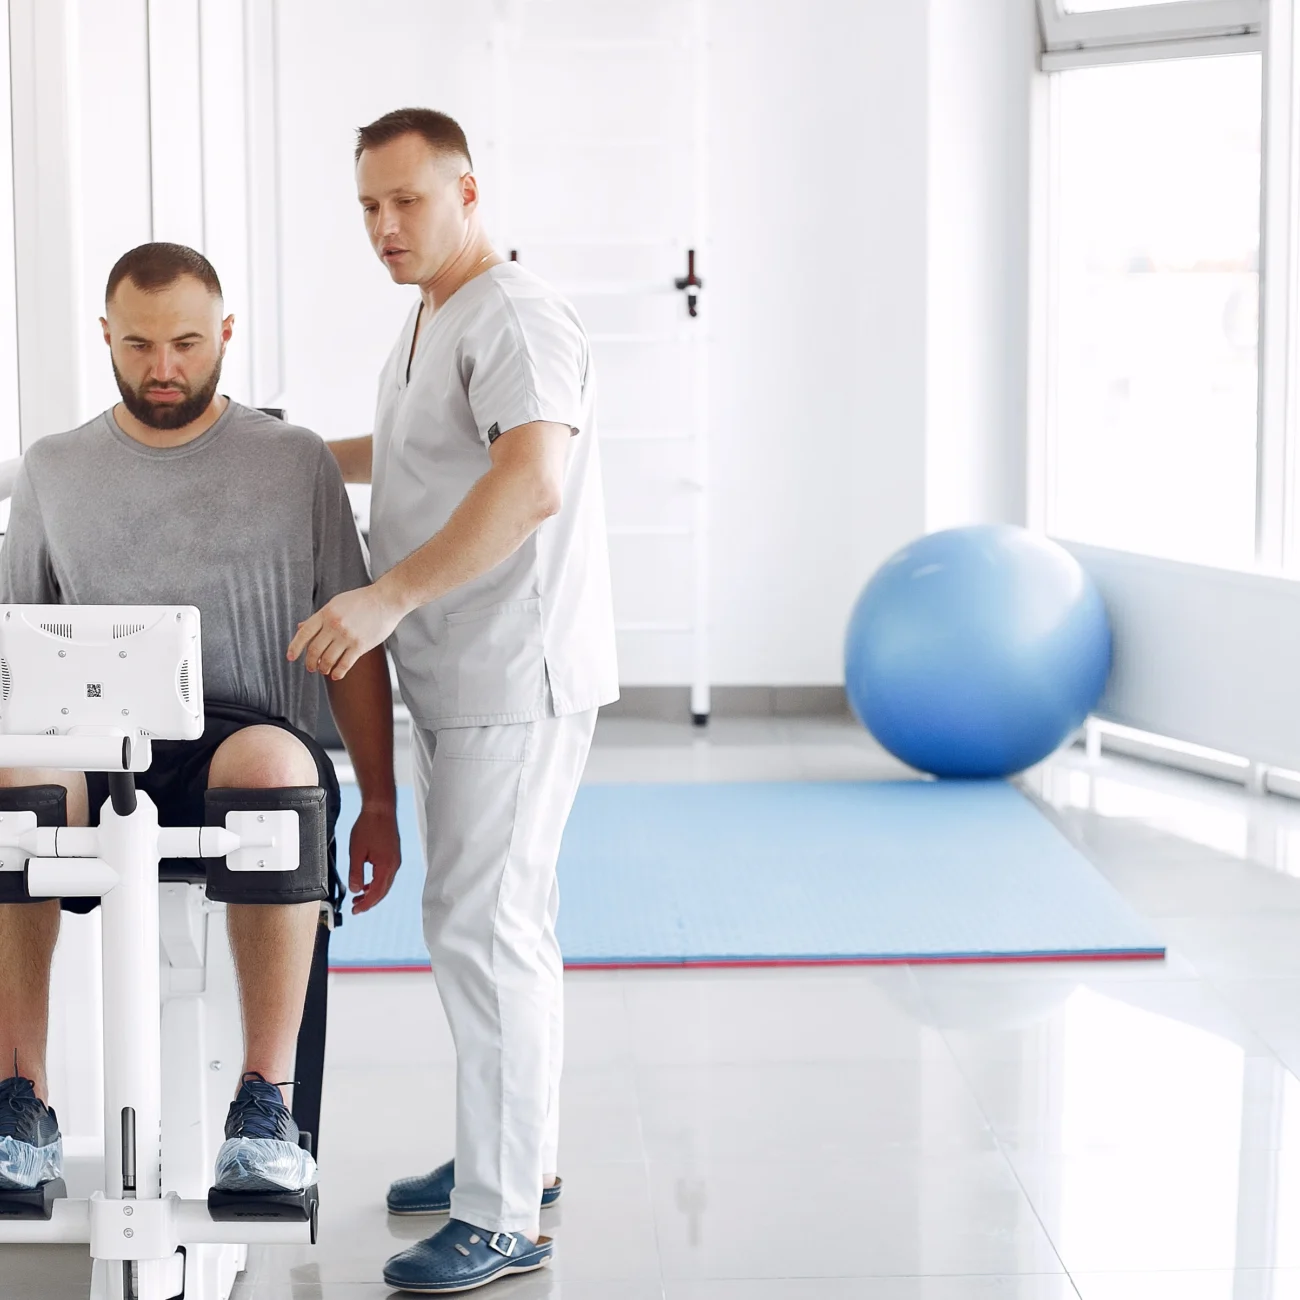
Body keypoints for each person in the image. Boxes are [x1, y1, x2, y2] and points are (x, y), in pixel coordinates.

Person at [290, 108, 617, 1292]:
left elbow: (530, 482)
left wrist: (384, 598)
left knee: (488, 930)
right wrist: (289, 454)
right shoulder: (437, 310)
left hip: (509, 673)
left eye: (407, 202)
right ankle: (512, 1157)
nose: (385, 226)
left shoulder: (517, 316)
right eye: (368, 207)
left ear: (466, 192)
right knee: (482, 924)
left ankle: (504, 1211)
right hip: (460, 674)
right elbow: (419, 447)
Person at [0, 242, 402, 1197]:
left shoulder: (292, 462)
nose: (163, 369)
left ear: (226, 333)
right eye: (138, 345)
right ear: (106, 337)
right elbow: (13, 652)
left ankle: (266, 1102)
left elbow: (355, 642)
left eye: (186, 342)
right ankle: (21, 1094)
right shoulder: (51, 470)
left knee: (269, 766)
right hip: (91, 743)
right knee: (17, 783)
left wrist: (379, 800)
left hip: (243, 738)